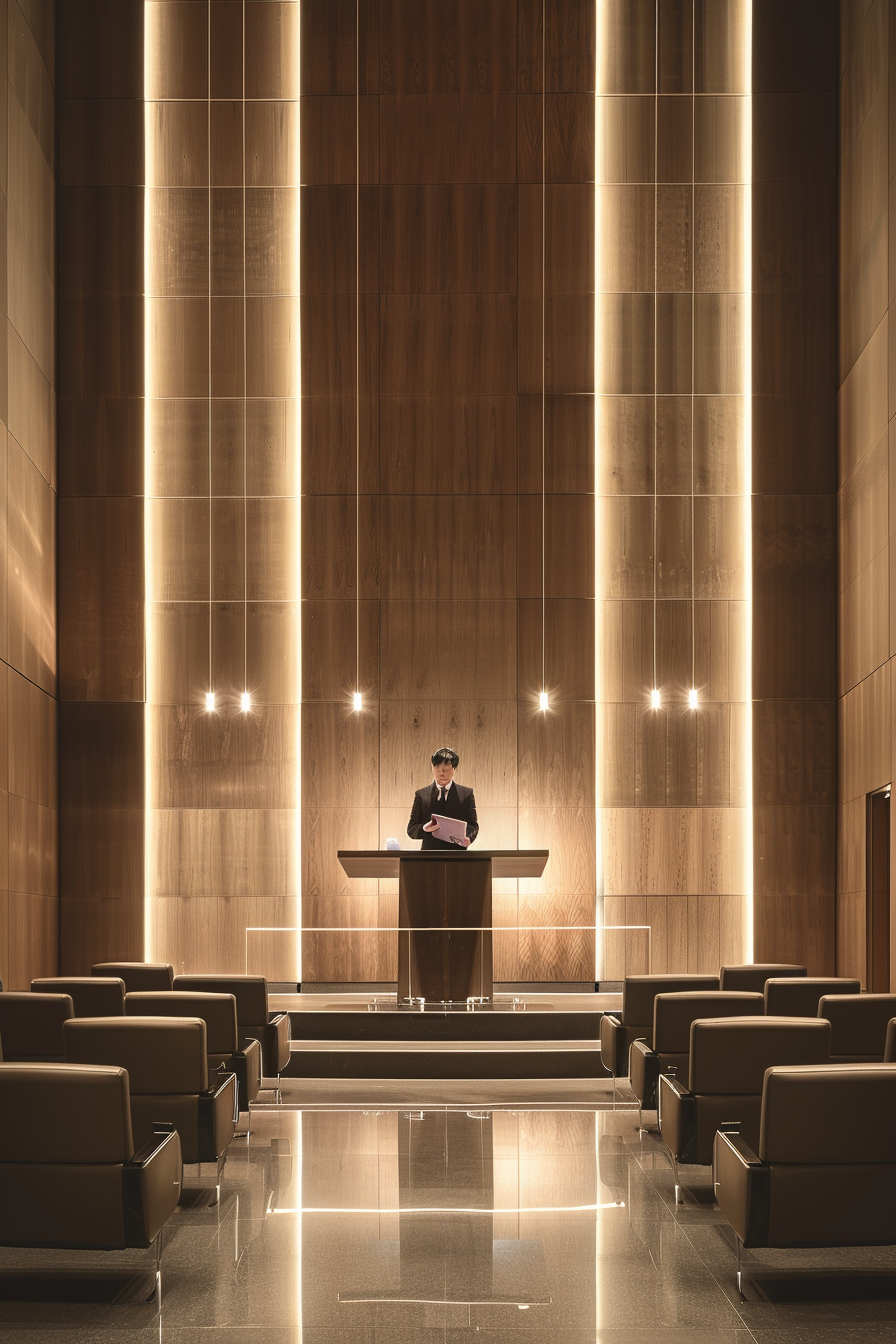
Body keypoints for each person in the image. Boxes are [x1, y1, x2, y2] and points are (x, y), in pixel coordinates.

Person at [407, 747, 479, 850]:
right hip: (429, 856)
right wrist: (424, 828)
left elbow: (473, 825)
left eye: (446, 769)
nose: (442, 773)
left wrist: (468, 838)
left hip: (457, 855)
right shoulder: (421, 795)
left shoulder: (466, 794)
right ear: (432, 768)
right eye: (437, 768)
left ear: (454, 769)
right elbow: (411, 830)